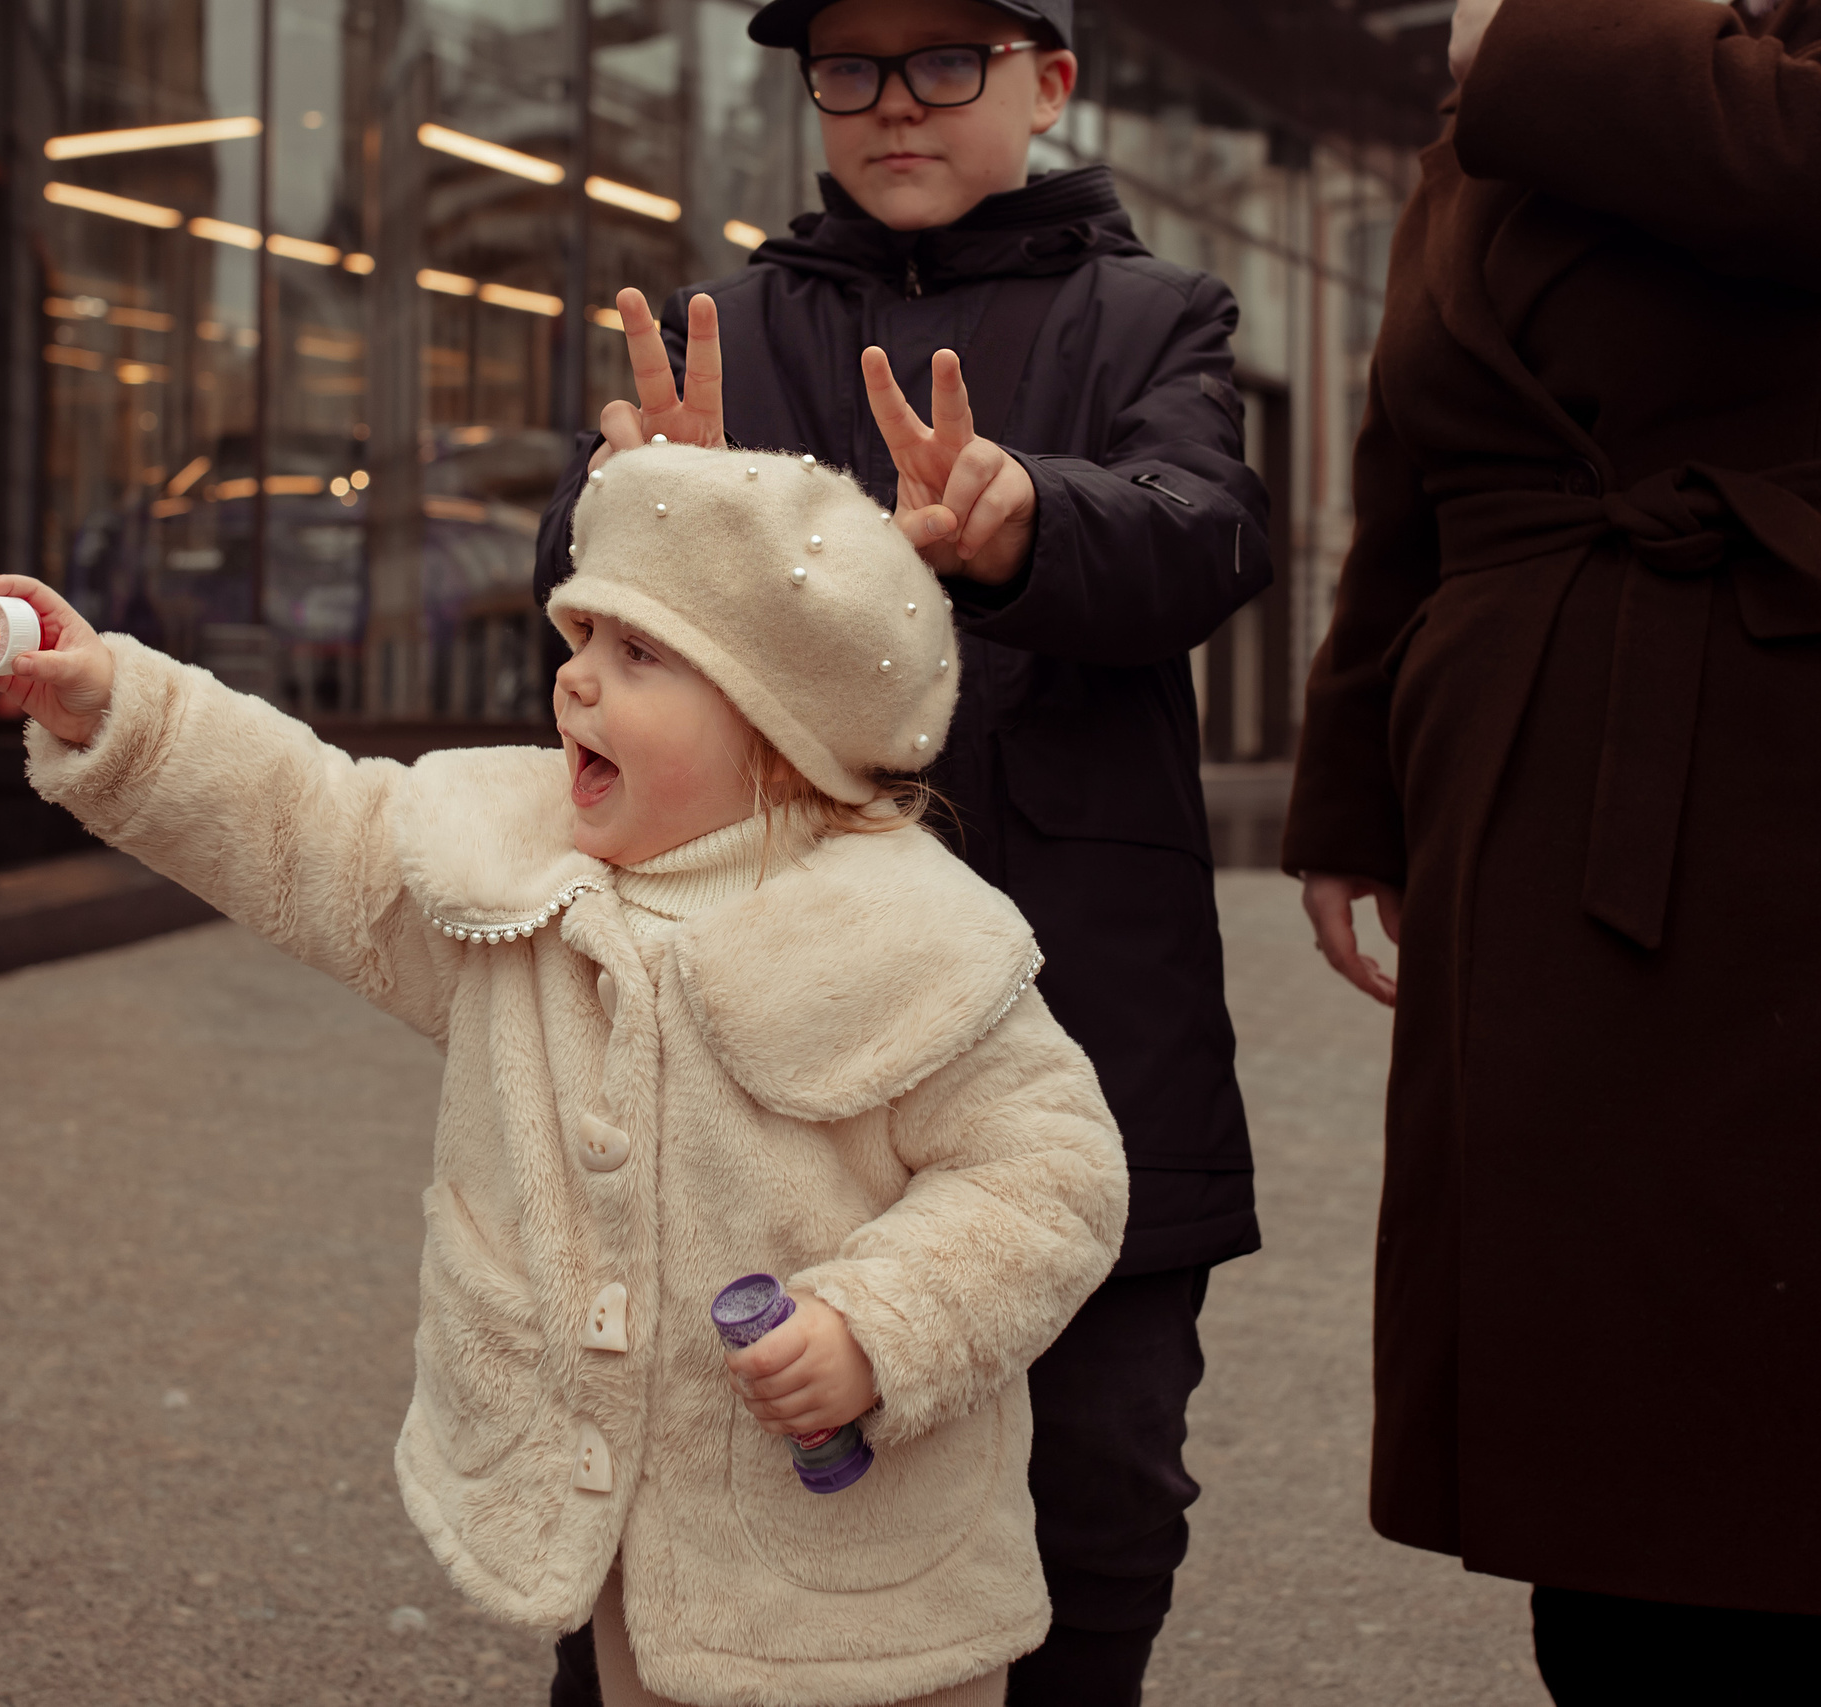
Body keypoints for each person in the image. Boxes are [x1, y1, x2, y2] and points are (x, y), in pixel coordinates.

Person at [0, 442, 1130, 1707]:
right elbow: (307, 828)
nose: (574, 680)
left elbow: (1051, 1175)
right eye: (581, 640)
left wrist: (876, 1330)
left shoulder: (910, 937)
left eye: (637, 657)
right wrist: (116, 707)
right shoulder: (519, 881)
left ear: (774, 728)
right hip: (638, 1558)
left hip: (871, 1594)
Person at [534, 2, 1270, 1700]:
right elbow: (572, 649)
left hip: (1087, 1007)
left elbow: (1210, 532)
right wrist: (639, 519)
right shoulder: (727, 326)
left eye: (949, 62)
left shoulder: (1156, 314)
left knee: (1100, 1491)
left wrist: (1028, 524)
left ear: (1050, 81)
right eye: (850, 68)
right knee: (676, 1474)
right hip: (745, 1032)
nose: (894, 105)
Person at [1287, 0, 1821, 1697]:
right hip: (1530, 793)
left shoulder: (1620, 62)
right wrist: (1350, 781)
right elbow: (1412, 451)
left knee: (1801, 1377)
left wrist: (1527, 42)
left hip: (1809, 785)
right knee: (1596, 1418)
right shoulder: (1497, 114)